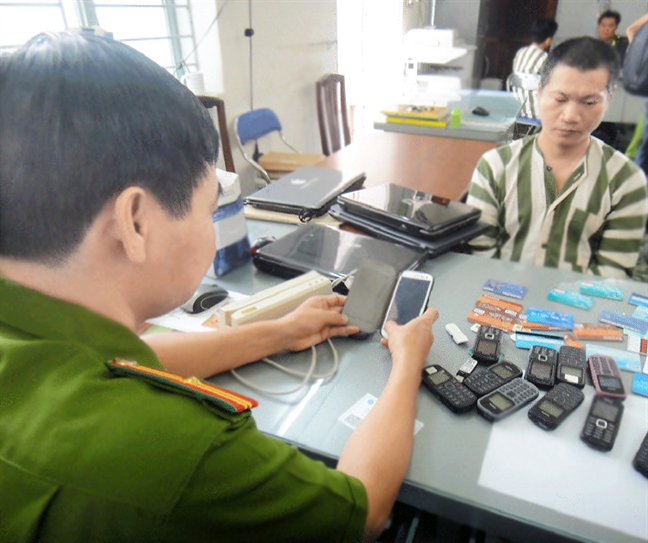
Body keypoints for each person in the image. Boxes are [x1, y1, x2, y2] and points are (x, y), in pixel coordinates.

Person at [0, 32, 440, 542]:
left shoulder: (34, 344)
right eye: (211, 208)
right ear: (135, 223)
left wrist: (278, 332)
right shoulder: (177, 449)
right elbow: (364, 512)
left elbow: (123, 361)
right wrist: (408, 360)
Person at [466, 37, 648, 279]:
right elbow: (479, 255)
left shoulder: (626, 179)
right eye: (560, 99)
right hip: (499, 300)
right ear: (540, 92)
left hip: (581, 307)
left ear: (609, 99)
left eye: (589, 102)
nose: (571, 116)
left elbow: (614, 270)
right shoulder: (495, 166)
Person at [511, 18, 559, 119]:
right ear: (548, 40)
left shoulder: (520, 53)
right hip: (537, 115)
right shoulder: (545, 58)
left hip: (518, 111)